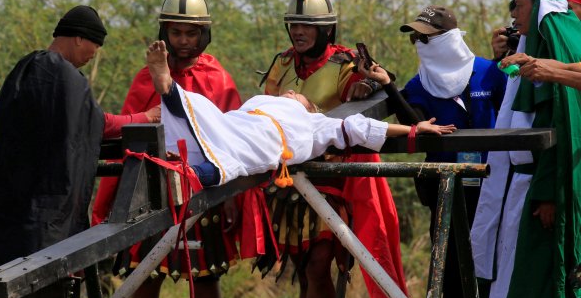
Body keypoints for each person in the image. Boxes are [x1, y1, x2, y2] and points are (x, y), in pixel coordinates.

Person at [0, 5, 159, 298]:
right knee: (37, 295)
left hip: (9, 208)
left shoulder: (25, 70)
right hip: (42, 215)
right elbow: (96, 124)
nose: (95, 53)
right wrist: (142, 118)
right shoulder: (60, 75)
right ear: (78, 39)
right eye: (95, 44)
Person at [260, 0, 406, 298]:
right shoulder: (281, 63)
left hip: (333, 179)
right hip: (290, 177)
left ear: (326, 29)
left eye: (306, 26)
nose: (298, 32)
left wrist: (367, 89)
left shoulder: (344, 62)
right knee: (304, 269)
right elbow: (267, 107)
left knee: (318, 264)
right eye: (294, 25)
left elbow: (379, 81)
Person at [91, 0, 241, 298]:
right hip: (152, 189)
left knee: (206, 277)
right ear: (165, 33)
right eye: (177, 33)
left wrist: (232, 197)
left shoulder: (218, 79)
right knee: (144, 275)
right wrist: (110, 204)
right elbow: (125, 142)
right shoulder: (146, 78)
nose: (184, 41)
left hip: (204, 187)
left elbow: (233, 144)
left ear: (203, 35)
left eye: (191, 33)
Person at [147, 40, 455, 186]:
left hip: (267, 140)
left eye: (300, 95)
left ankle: (184, 177)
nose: (294, 92)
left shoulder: (315, 122)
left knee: (233, 162)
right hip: (235, 123)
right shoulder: (265, 99)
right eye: (292, 92)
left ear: (311, 107)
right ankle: (168, 87)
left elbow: (360, 127)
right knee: (200, 108)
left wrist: (414, 130)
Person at [471, 0, 581, 298]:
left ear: (537, 7)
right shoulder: (536, 53)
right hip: (521, 186)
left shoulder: (551, 58)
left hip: (539, 188)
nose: (513, 14)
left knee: (534, 282)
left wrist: (547, 192)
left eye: (518, 6)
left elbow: (559, 125)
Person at [398, 6, 506, 298]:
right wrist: (385, 86)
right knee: (449, 270)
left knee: (494, 264)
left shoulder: (491, 71)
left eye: (426, 38)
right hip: (445, 192)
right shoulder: (417, 86)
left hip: (492, 188)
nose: (419, 44)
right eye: (415, 39)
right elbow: (412, 124)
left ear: (448, 40)